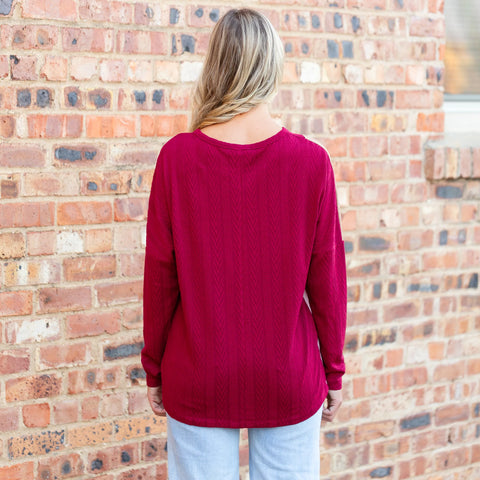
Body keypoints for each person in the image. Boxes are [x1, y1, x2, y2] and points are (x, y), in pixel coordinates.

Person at [141, 8, 347, 480]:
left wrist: (155, 368)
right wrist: (333, 369)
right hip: (288, 376)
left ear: (216, 67)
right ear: (272, 67)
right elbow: (328, 282)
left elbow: (160, 279)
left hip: (199, 375)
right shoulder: (312, 163)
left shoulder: (177, 160)